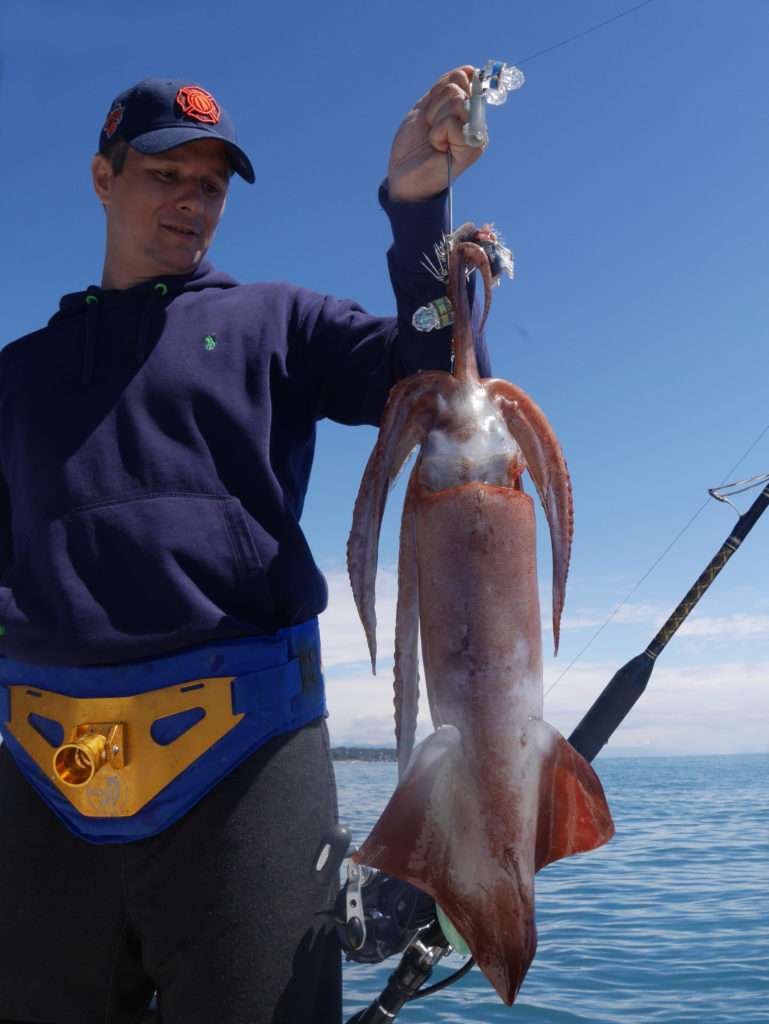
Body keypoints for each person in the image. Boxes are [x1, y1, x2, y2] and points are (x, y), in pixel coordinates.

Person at [0, 69, 490, 1024]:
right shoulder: (18, 375)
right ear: (104, 180)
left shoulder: (275, 324)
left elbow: (435, 377)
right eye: (163, 174)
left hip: (243, 753)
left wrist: (418, 208)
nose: (190, 201)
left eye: (211, 185)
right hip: (41, 766)